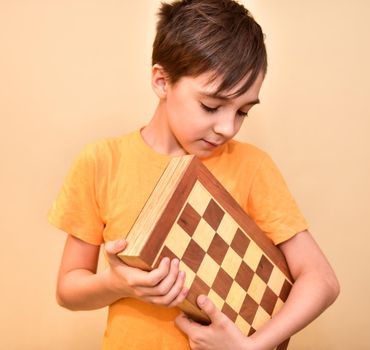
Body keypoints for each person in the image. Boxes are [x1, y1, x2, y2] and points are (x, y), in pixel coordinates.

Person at [48, 0, 339, 349]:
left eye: (243, 111)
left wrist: (252, 347)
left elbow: (321, 280)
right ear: (161, 81)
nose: (227, 127)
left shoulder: (252, 166)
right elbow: (68, 290)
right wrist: (118, 283)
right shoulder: (102, 162)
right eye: (211, 106)